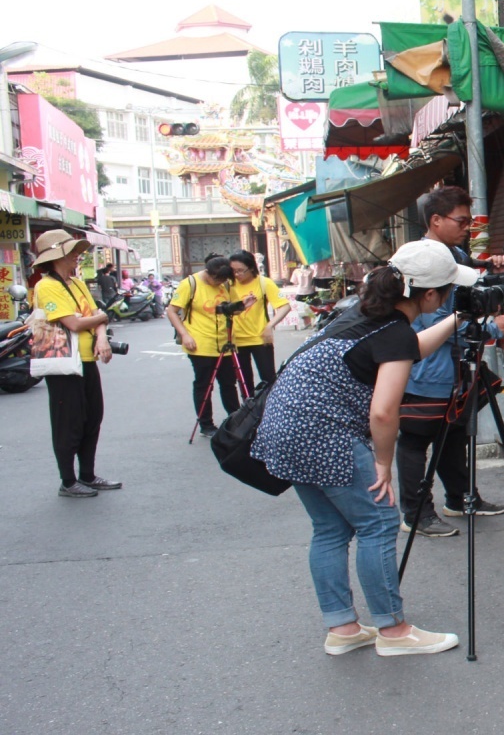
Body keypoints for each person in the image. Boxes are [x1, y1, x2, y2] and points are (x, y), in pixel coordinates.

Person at [251, 239, 480, 657]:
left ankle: (342, 628)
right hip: (324, 433)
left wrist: (457, 320)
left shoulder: (366, 315)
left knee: (331, 528)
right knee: (378, 523)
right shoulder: (392, 330)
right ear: (429, 295)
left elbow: (407, 350)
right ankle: (393, 632)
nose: (449, 296)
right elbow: (384, 412)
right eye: (448, 290)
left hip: (281, 426)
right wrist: (382, 463)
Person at [397, 186, 504, 537]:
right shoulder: (416, 261)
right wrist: (490, 328)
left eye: (470, 221)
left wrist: (492, 271)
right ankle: (416, 513)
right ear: (436, 220)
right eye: (461, 221)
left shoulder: (455, 256)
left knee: (453, 434)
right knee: (416, 440)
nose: (468, 227)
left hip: (459, 371)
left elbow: (471, 304)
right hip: (426, 372)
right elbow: (427, 324)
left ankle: (461, 497)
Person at [30, 230, 122, 498]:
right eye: (73, 253)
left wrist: (102, 338)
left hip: (86, 359)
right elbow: (75, 322)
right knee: (68, 423)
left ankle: (88, 475)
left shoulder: (78, 283)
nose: (77, 258)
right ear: (56, 256)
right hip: (63, 364)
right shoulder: (46, 285)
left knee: (92, 418)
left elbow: (96, 316)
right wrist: (100, 319)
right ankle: (68, 481)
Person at [165, 254, 238, 438]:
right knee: (204, 385)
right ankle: (206, 424)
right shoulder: (190, 284)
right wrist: (185, 335)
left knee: (229, 384)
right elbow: (172, 311)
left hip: (224, 342)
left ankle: (236, 420)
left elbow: (230, 309)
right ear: (210, 274)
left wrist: (242, 306)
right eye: (218, 280)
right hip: (199, 343)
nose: (220, 283)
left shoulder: (225, 284)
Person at [227, 249, 293, 389]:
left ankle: (269, 408)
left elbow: (284, 307)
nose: (236, 274)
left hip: (260, 338)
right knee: (244, 382)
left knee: (268, 379)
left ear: (251, 268)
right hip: (236, 339)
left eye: (240, 270)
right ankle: (249, 409)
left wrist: (270, 326)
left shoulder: (264, 283)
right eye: (233, 270)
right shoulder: (228, 285)